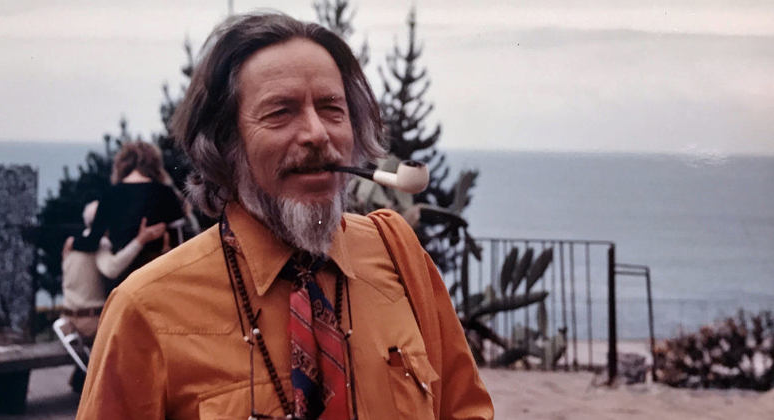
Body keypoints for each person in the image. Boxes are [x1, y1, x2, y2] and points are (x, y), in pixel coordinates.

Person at [77, 12, 493, 420]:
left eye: (332, 109)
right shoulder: (145, 310)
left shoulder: (399, 258)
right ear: (226, 144)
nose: (317, 133)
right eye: (280, 112)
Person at [61, 200, 167, 392]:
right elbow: (112, 268)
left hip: (67, 321)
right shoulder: (99, 243)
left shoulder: (71, 244)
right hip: (89, 322)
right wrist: (140, 240)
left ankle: (82, 379)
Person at [71, 141, 186, 294]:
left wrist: (72, 242)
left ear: (122, 164)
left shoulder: (110, 195)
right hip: (155, 275)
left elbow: (92, 242)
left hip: (122, 279)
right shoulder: (164, 193)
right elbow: (180, 241)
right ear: (154, 163)